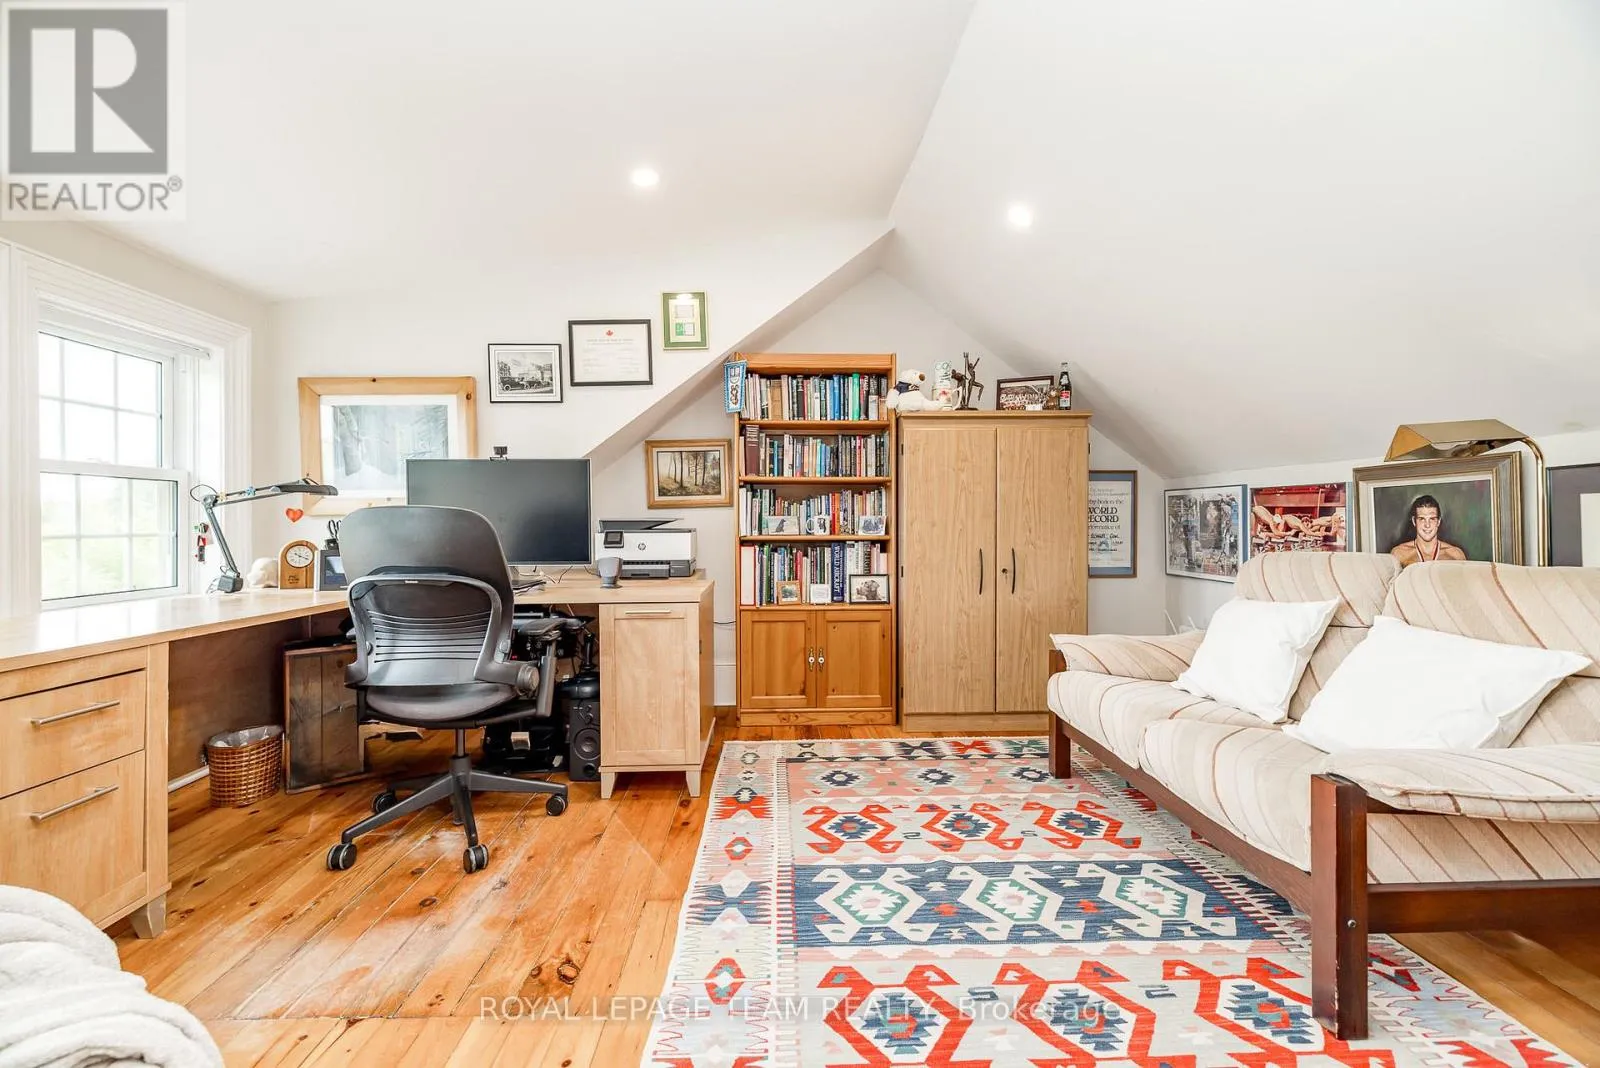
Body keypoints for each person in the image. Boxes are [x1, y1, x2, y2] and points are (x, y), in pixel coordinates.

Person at [1390, 494, 1466, 566]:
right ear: (1414, 521)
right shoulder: (1399, 554)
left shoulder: (1456, 555)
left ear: (1438, 521)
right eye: (1422, 519)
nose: (1427, 525)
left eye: (1432, 519)